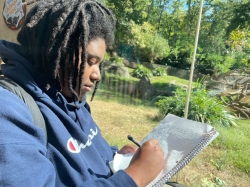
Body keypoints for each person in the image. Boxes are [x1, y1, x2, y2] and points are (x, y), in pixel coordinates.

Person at [0, 0, 164, 186]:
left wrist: (113, 156)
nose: (97, 75)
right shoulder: (8, 109)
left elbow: (85, 150)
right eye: (90, 61)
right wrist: (134, 177)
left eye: (99, 64)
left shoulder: (72, 97)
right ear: (54, 52)